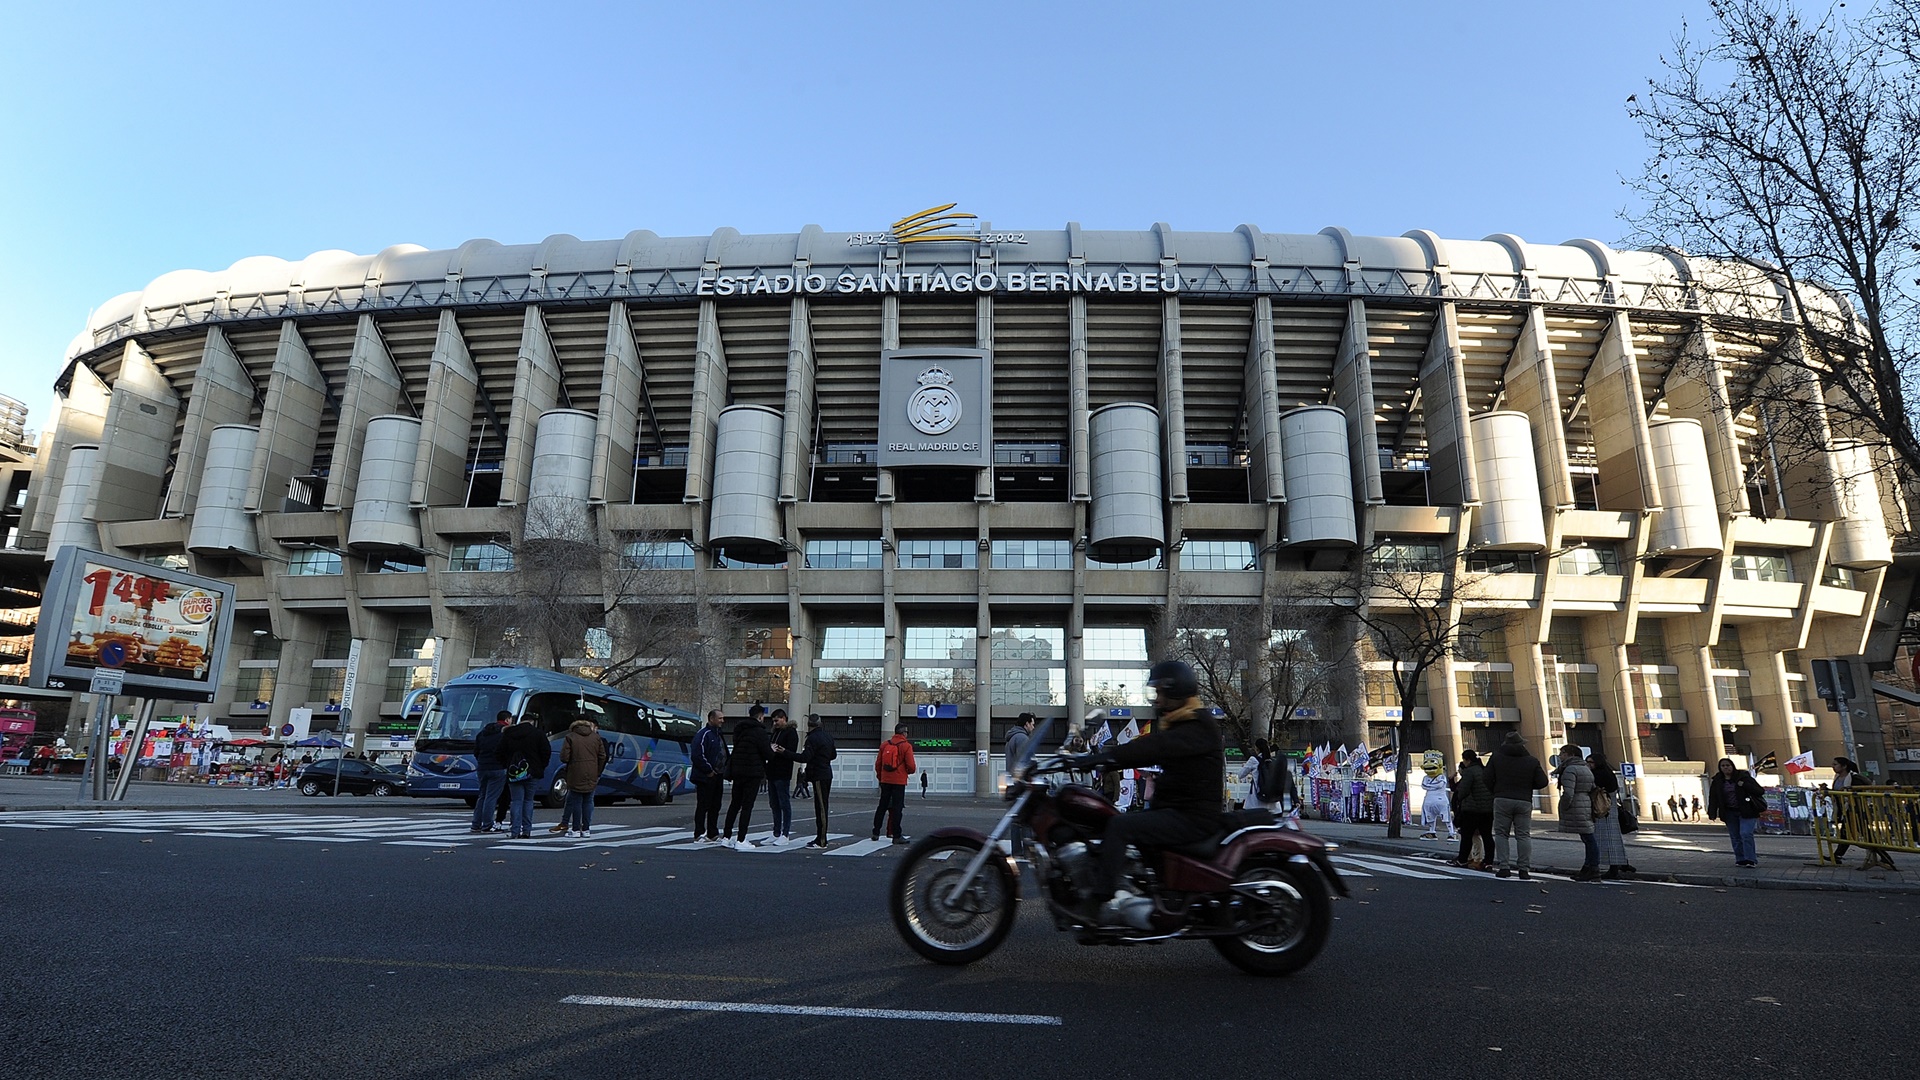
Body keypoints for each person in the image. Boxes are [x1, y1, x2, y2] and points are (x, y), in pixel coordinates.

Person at [1070, 660, 1224, 927]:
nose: (1157, 699)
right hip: (1176, 809)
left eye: (1161, 693)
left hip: (1192, 817)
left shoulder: (1197, 725)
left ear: (1175, 692)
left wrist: (1104, 758)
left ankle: (1097, 903)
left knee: (1119, 826)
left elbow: (1154, 747)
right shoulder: (1181, 723)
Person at [1485, 731, 1549, 880]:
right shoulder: (1531, 761)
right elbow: (1542, 782)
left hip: (1502, 798)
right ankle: (1524, 869)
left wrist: (1495, 790)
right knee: (1523, 835)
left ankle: (1504, 867)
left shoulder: (1496, 758)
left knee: (1501, 834)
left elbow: (1486, 778)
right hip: (1524, 800)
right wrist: (1527, 786)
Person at [1829, 756, 1896, 868]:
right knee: (1848, 833)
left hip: (1856, 809)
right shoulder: (1837, 778)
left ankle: (1885, 856)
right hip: (1846, 810)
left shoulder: (1854, 778)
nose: (1833, 767)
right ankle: (1837, 856)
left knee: (1865, 835)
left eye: (1835, 764)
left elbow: (1867, 786)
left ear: (1844, 766)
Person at [722, 707, 771, 848]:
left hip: (738, 770)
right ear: (761, 716)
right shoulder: (760, 732)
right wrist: (771, 750)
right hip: (753, 772)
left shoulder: (740, 729)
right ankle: (741, 839)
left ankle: (726, 836)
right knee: (747, 806)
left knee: (734, 804)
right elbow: (768, 754)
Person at [498, 712, 551, 840]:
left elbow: (499, 752)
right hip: (533, 771)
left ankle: (514, 830)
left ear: (520, 720)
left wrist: (507, 764)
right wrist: (540, 766)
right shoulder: (538, 734)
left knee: (516, 801)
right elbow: (546, 752)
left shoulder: (509, 733)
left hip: (513, 772)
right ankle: (526, 830)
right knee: (528, 800)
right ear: (532, 722)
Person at [1705, 757, 1767, 866]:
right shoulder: (1718, 781)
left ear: (1732, 766)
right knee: (1735, 836)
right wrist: (1712, 813)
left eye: (1728, 765)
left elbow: (1760, 791)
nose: (1726, 768)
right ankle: (1741, 859)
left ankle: (1750, 859)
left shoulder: (1743, 777)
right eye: (1723, 766)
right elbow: (1713, 798)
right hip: (1729, 812)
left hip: (1747, 811)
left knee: (1745, 834)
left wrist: (1744, 785)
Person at [555, 716, 608, 839]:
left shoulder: (571, 737)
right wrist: (597, 770)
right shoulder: (596, 737)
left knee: (576, 801)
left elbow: (564, 757)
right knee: (588, 800)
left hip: (575, 772)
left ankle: (575, 829)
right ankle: (586, 829)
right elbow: (602, 756)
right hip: (592, 772)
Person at [791, 713, 837, 848]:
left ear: (809, 725)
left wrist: (787, 753)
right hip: (826, 773)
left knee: (821, 808)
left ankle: (821, 840)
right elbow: (833, 755)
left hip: (818, 774)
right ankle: (820, 838)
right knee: (822, 806)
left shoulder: (812, 739)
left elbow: (805, 757)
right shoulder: (827, 737)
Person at [1555, 745, 1599, 881]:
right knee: (1588, 837)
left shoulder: (1570, 769)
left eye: (1562, 753)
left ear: (1570, 754)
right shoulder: (1585, 768)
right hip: (1586, 803)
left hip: (1576, 805)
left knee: (1588, 838)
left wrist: (1563, 807)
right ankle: (1589, 867)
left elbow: (1568, 793)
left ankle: (1592, 868)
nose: (1560, 756)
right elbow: (1592, 786)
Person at [1588, 750, 1635, 879]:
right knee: (1613, 839)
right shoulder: (1609, 773)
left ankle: (1613, 867)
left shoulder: (1597, 775)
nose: (1588, 764)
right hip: (1611, 810)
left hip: (1602, 810)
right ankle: (1620, 864)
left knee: (1604, 840)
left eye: (1591, 762)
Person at [871, 723, 917, 844]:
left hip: (885, 780)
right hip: (899, 780)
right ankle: (896, 834)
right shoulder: (906, 746)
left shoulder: (885, 745)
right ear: (904, 733)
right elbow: (911, 766)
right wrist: (907, 772)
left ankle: (875, 832)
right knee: (897, 808)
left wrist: (881, 777)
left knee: (882, 806)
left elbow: (878, 764)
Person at [1450, 748, 1495, 869]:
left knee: (1467, 835)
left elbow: (1463, 791)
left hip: (1472, 809)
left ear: (1467, 760)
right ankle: (1488, 861)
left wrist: (1459, 799)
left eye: (1464, 760)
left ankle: (1463, 859)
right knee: (1487, 836)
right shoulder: (1484, 770)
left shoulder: (1469, 771)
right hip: (1488, 809)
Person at [689, 710, 728, 844]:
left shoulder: (718, 735)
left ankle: (713, 833)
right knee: (703, 805)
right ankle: (699, 833)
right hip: (706, 776)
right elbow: (697, 755)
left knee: (715, 805)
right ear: (712, 719)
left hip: (718, 775)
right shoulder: (703, 734)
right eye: (720, 718)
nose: (722, 721)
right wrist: (708, 770)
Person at [470, 711, 511, 834]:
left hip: (482, 766)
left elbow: (476, 751)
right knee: (491, 797)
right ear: (507, 719)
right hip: (498, 767)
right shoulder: (504, 733)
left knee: (482, 796)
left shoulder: (483, 733)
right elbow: (506, 751)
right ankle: (487, 825)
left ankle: (476, 824)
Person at [764, 709, 797, 845]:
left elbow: (792, 752)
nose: (775, 723)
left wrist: (781, 751)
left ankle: (785, 833)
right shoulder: (775, 732)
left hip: (782, 772)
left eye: (777, 720)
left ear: (784, 719)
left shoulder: (791, 733)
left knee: (784, 803)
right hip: (772, 772)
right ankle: (776, 832)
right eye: (773, 721)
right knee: (774, 803)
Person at [1236, 738, 1272, 812]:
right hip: (1274, 804)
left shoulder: (1253, 760)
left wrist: (1245, 766)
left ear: (1257, 748)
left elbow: (1240, 775)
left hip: (1256, 802)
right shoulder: (1273, 761)